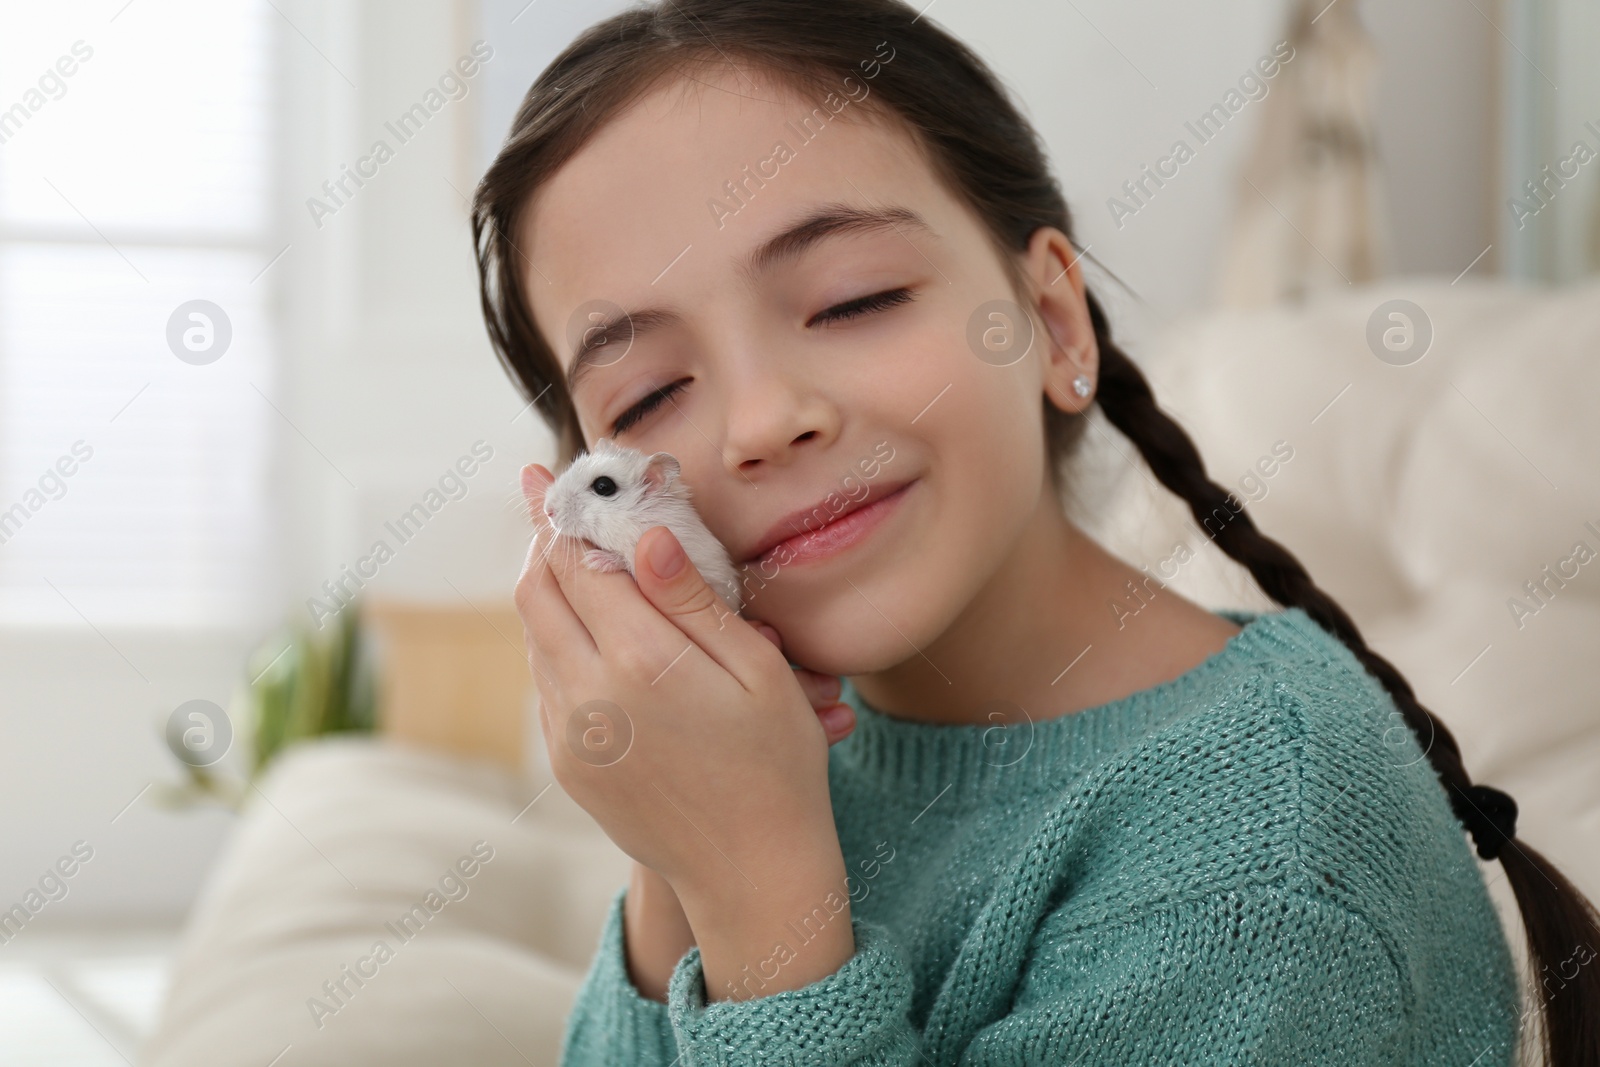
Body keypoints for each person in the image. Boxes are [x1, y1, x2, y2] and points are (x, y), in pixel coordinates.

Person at [470, 1, 1600, 1062]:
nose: (761, 421)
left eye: (853, 299)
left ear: (1053, 321)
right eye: (649, 393)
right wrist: (677, 843)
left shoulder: (1264, 851)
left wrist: (762, 888)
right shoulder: (794, 733)